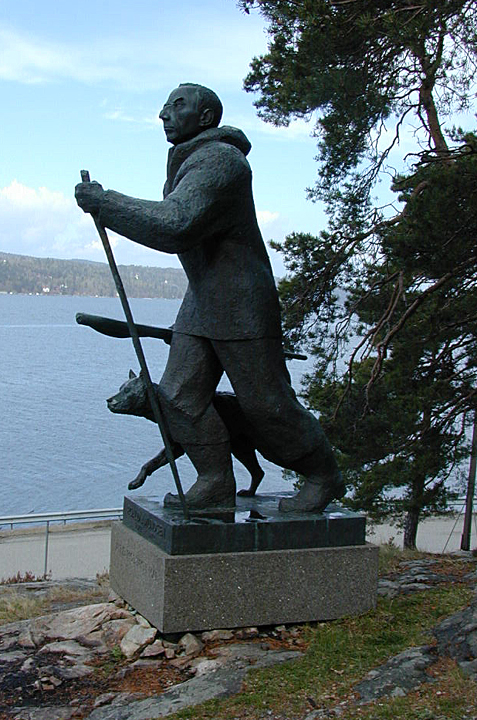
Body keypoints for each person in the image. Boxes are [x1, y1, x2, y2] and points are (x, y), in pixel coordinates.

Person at [75, 82, 344, 512]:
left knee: (266, 407)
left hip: (242, 304)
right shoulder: (190, 162)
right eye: (165, 105)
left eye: (176, 105)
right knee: (179, 398)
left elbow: (176, 224)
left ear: (205, 117)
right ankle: (215, 481)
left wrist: (106, 204)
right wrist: (107, 206)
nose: (164, 113)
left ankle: (323, 474)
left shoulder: (222, 161)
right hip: (201, 301)